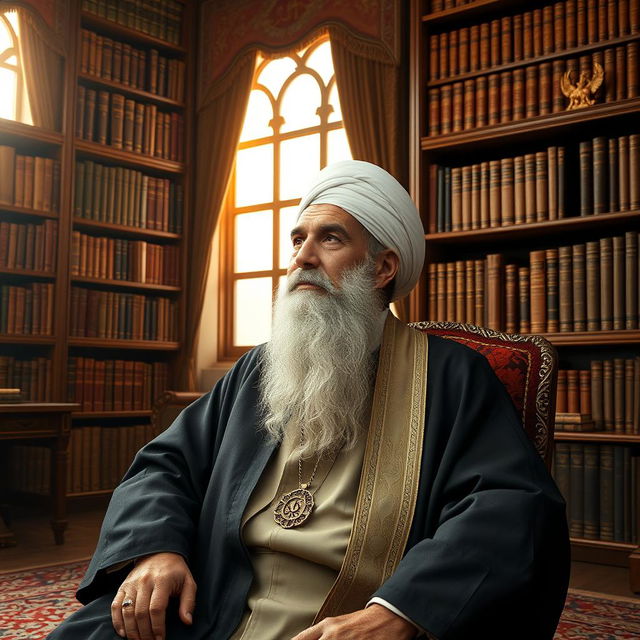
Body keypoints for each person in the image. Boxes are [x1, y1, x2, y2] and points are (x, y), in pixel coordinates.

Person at [47, 160, 570, 640]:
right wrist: (155, 550)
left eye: (331, 238)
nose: (303, 258)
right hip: (213, 602)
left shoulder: (451, 376)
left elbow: (510, 504)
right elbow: (165, 464)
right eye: (297, 240)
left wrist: (398, 612)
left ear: (384, 268)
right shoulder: (259, 368)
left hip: (347, 620)